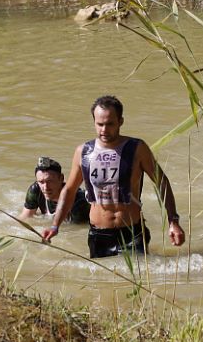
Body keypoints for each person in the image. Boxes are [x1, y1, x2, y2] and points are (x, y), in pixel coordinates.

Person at [41, 95, 185, 258]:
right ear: (94, 122)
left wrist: (173, 221)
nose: (104, 130)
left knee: (135, 281)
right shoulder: (84, 152)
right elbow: (69, 190)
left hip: (132, 232)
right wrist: (55, 226)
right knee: (103, 282)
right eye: (100, 124)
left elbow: (162, 182)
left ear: (120, 121)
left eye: (110, 124)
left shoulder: (137, 148)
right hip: (99, 235)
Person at [19, 156, 90, 223]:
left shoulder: (78, 202)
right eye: (41, 182)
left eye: (50, 181)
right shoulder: (36, 190)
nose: (45, 187)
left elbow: (76, 230)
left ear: (61, 178)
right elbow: (25, 218)